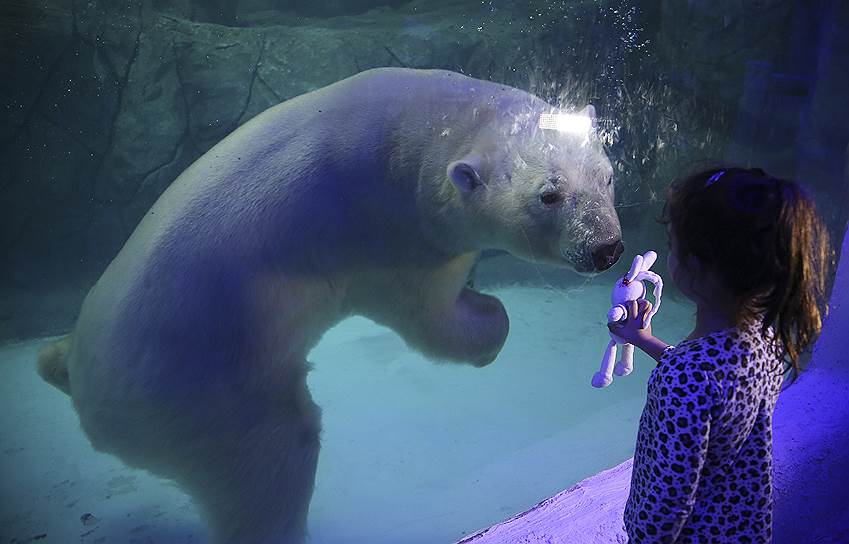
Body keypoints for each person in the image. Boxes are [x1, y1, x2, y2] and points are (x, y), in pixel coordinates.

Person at [609, 167, 833, 543]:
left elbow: (666, 509)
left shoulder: (685, 379)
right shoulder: (767, 339)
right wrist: (644, 339)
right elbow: (713, 384)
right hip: (740, 528)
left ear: (693, 264)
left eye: (672, 244)